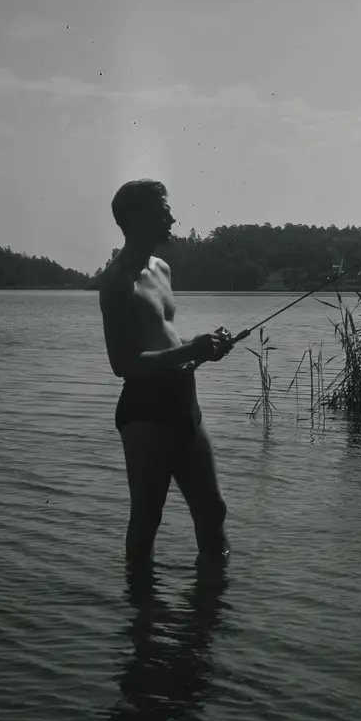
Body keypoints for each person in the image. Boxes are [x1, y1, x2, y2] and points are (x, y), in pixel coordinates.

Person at [98, 179, 235, 562]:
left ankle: (215, 596)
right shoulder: (117, 282)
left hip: (184, 402)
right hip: (146, 412)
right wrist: (190, 350)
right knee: (147, 519)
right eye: (162, 212)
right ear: (136, 218)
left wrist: (204, 350)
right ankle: (139, 599)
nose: (172, 219)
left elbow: (164, 341)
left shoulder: (162, 269)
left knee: (213, 510)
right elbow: (123, 364)